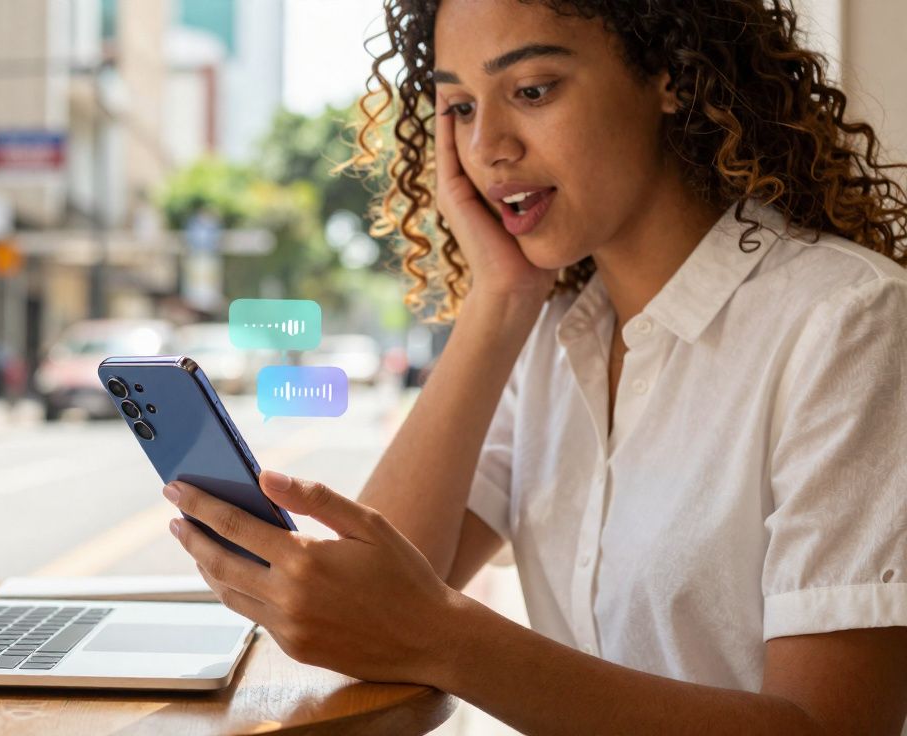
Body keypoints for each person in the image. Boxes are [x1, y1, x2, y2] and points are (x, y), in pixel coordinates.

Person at [159, 1, 907, 733]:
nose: (488, 146)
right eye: (459, 107)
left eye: (532, 90)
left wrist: (449, 639)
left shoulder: (848, 320)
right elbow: (372, 600)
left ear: (670, 74)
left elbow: (830, 725)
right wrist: (502, 298)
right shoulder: (552, 336)